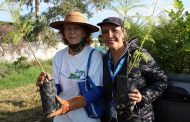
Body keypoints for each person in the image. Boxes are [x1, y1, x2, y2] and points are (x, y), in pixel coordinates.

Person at [36, 11, 103, 122]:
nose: (72, 32)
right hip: (61, 115)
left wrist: (69, 105)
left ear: (84, 33)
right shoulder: (59, 56)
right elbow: (57, 87)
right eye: (68, 28)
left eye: (76, 28)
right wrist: (47, 85)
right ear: (63, 32)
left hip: (86, 116)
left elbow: (97, 90)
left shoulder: (94, 56)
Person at [97, 17, 168, 122]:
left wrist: (142, 96)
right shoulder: (103, 59)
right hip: (110, 117)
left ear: (124, 32)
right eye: (105, 32)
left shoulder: (138, 55)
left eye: (114, 30)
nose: (109, 35)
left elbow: (162, 81)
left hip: (137, 117)